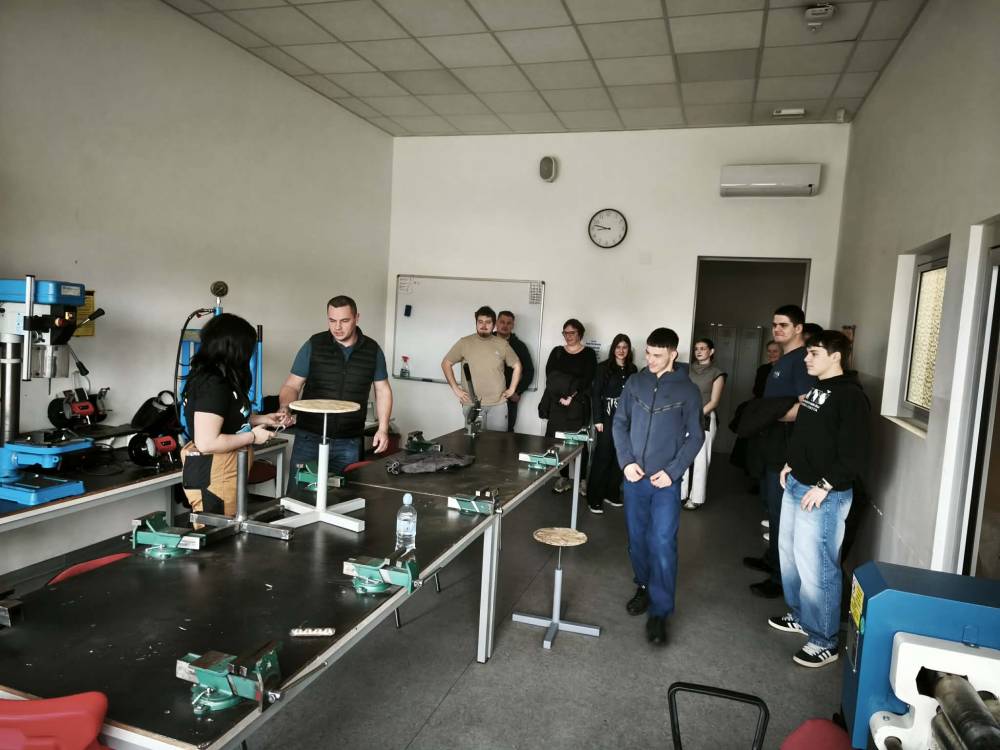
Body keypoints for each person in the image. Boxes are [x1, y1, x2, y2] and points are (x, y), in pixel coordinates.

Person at [768, 331, 869, 668]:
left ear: (836, 356)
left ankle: (824, 640)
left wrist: (825, 485)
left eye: (814, 353)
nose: (806, 359)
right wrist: (790, 463)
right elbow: (807, 435)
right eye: (807, 353)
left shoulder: (851, 396)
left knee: (818, 567)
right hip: (798, 483)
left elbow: (855, 452)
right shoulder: (817, 389)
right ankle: (801, 615)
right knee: (790, 555)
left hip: (824, 494)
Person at [613, 328, 704, 645]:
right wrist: (626, 462)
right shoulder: (635, 383)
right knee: (637, 539)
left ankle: (660, 612)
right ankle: (643, 586)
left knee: (663, 542)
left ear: (673, 354)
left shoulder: (689, 391)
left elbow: (696, 437)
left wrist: (673, 472)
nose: (650, 360)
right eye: (648, 353)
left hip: (665, 482)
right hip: (634, 478)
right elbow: (619, 423)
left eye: (657, 355)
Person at [744, 305, 816, 599]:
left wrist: (769, 415)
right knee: (771, 507)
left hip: (785, 447)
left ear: (798, 328)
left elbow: (808, 405)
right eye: (774, 324)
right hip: (771, 445)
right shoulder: (783, 360)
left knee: (782, 513)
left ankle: (779, 578)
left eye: (784, 325)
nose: (777, 329)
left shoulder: (801, 360)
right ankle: (771, 559)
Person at [180, 313, 284, 516]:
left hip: (227, 468)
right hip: (214, 472)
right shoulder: (212, 383)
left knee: (230, 526)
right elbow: (207, 442)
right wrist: (253, 436)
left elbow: (225, 417)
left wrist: (263, 419)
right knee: (218, 531)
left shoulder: (224, 378)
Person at [278, 295, 393, 477]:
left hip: (349, 440)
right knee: (301, 491)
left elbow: (383, 390)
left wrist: (383, 428)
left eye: (344, 321)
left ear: (357, 318)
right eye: (332, 320)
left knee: (345, 491)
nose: (337, 327)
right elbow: (292, 386)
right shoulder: (314, 344)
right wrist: (285, 408)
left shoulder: (372, 350)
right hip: (309, 438)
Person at [442, 306, 522, 431]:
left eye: (488, 322)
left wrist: (512, 389)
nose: (484, 325)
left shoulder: (502, 344)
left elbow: (517, 366)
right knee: (474, 441)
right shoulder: (464, 342)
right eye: (480, 322)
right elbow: (446, 363)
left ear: (494, 325)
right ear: (476, 323)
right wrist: (456, 389)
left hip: (498, 405)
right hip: (472, 404)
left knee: (497, 441)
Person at [540, 318, 597, 494]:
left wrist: (572, 396)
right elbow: (550, 377)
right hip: (557, 403)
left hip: (578, 403)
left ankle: (582, 480)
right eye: (565, 332)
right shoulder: (557, 352)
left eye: (572, 332)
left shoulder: (588, 353)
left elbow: (588, 378)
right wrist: (560, 397)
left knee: (578, 441)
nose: (568, 336)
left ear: (580, 333)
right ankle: (563, 477)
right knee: (558, 442)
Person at [588, 334, 637, 514]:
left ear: (629, 349)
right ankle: (594, 498)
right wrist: (598, 419)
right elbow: (595, 394)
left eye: (625, 347)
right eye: (618, 347)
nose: (621, 350)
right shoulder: (603, 368)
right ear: (613, 349)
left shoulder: (633, 369)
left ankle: (611, 493)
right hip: (607, 418)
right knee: (603, 456)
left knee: (620, 457)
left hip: (626, 418)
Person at [681, 338, 726, 510]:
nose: (699, 351)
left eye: (703, 348)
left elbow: (714, 402)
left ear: (711, 351)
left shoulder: (717, 373)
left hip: (705, 418)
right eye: (696, 349)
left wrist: (695, 416)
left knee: (701, 460)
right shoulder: (687, 370)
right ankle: (680, 494)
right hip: (684, 418)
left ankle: (696, 498)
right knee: (682, 457)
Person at [495, 310, 534, 432]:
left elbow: (529, 371)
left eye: (509, 323)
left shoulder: (519, 346)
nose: (505, 325)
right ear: (496, 323)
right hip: (486, 395)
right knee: (482, 432)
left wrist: (518, 391)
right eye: (502, 322)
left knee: (507, 432)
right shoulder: (485, 342)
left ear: (513, 325)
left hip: (509, 397)